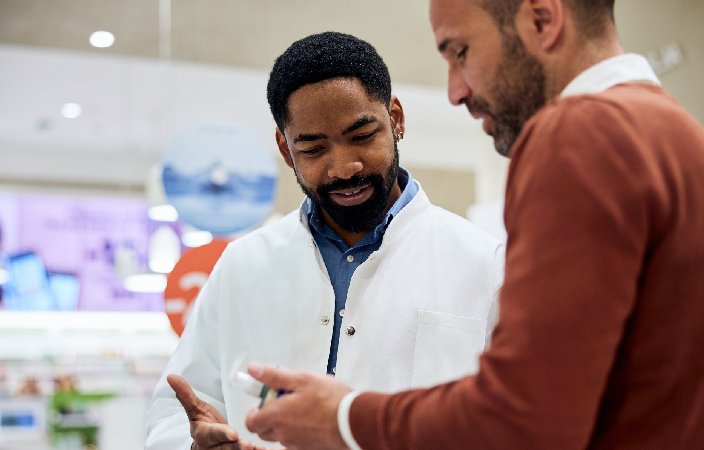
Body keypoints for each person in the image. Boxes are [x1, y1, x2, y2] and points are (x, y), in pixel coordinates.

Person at [243, 0, 704, 449]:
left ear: (542, 20)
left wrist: (343, 417)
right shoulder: (684, 140)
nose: (455, 90)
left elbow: (524, 418)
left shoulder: (579, 133)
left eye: (461, 51)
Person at [145, 31, 504, 450]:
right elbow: (178, 410)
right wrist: (196, 445)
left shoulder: (485, 263)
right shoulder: (242, 265)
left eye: (362, 135)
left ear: (397, 120)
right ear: (285, 148)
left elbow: (517, 420)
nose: (344, 167)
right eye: (313, 149)